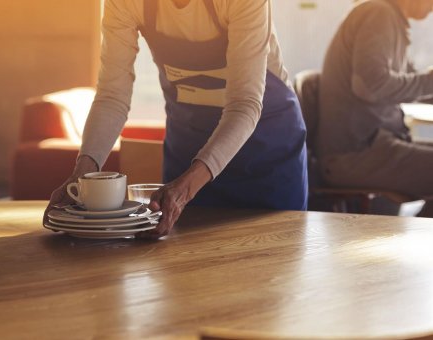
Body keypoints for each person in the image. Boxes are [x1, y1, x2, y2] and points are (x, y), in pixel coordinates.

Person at [45, 0, 308, 238]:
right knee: (183, 278)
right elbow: (112, 97)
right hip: (188, 146)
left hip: (266, 149)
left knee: (270, 270)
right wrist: (82, 174)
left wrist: (187, 188)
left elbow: (245, 104)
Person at [317, 0, 433, 214]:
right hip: (357, 154)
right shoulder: (379, 13)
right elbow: (371, 86)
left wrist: (427, 82)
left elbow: (409, 85)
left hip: (375, 146)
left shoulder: (391, 19)